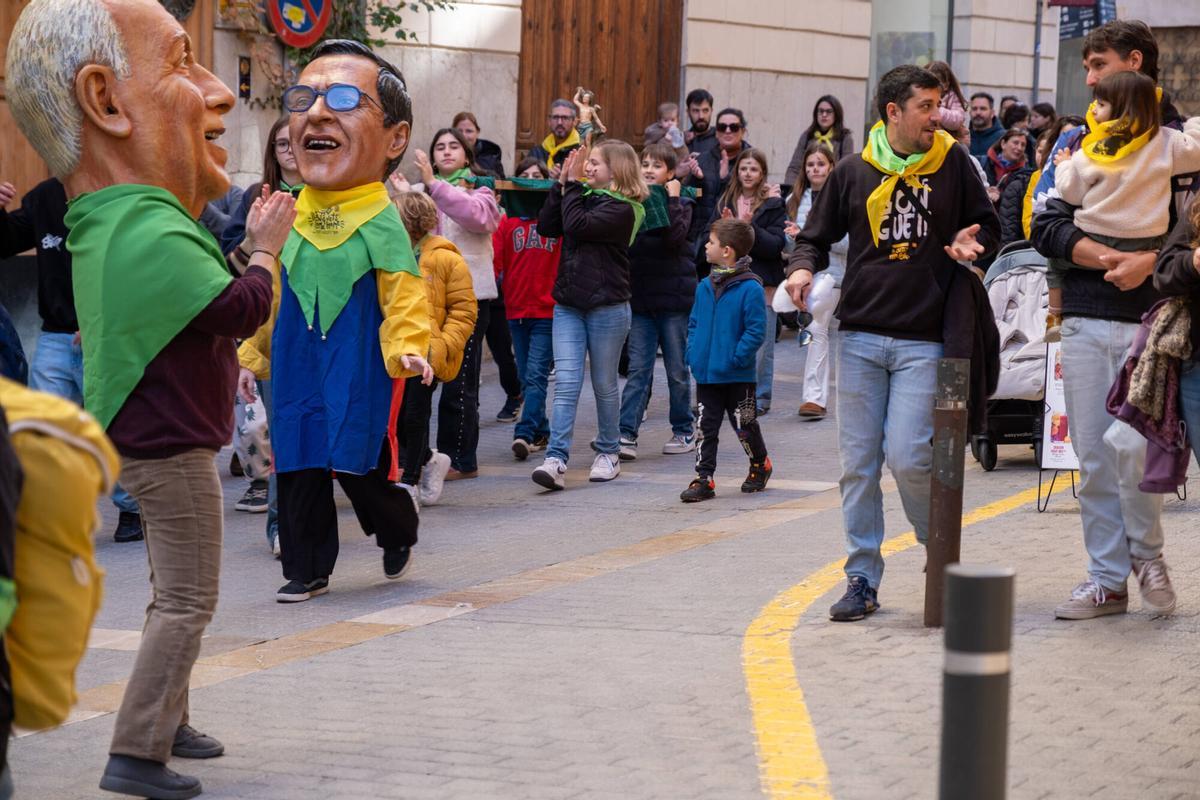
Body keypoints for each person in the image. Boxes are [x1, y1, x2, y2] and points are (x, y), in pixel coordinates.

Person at [8, 2, 291, 796]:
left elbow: (198, 299)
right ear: (104, 101)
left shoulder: (123, 218)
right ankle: (136, 752)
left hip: (155, 433)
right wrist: (267, 248)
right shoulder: (142, 223)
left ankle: (169, 719)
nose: (219, 92)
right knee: (191, 598)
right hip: (168, 443)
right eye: (179, 62)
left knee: (174, 589)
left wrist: (245, 251)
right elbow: (237, 310)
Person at [785, 64, 999, 623]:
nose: (938, 116)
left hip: (924, 339)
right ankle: (861, 577)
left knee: (908, 457)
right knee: (858, 465)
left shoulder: (953, 163)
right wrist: (802, 271)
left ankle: (941, 554)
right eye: (926, 106)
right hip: (858, 336)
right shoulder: (855, 171)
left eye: (938, 105)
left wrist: (968, 244)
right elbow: (814, 236)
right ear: (893, 113)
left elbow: (990, 227)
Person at [237, 39, 433, 606]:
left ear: (395, 138)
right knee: (296, 459)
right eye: (305, 98)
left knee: (356, 461)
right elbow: (266, 284)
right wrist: (252, 355)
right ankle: (306, 569)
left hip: (357, 360)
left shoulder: (380, 217)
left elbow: (404, 292)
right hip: (297, 360)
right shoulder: (287, 210)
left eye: (344, 99)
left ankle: (397, 524)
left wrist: (409, 347)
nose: (318, 113)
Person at [1030, 19, 1183, 621]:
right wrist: (1106, 256)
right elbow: (1046, 222)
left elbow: (1191, 224)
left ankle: (1146, 555)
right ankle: (1107, 579)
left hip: (1158, 320)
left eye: (1098, 66)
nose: (1089, 79)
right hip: (1089, 312)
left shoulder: (1177, 142)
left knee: (1136, 450)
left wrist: (1152, 261)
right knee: (1092, 454)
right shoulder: (1080, 138)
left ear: (1135, 63)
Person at [0, 177, 143, 543]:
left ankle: (132, 508)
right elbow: (5, 241)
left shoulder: (119, 192)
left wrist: (100, 319)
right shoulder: (45, 197)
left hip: (107, 334)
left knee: (108, 427)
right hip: (56, 334)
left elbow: (136, 267)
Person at [1045, 72, 1200, 344]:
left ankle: (1054, 314)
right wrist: (1192, 125)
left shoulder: (1095, 150)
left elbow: (1070, 191)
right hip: (1147, 240)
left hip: (1094, 235)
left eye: (1101, 104)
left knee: (1055, 261)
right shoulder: (1166, 141)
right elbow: (1196, 150)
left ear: (1121, 109)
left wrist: (1064, 165)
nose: (1094, 109)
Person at [531, 141, 648, 490]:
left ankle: (609, 452)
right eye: (589, 162)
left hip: (608, 306)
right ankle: (555, 458)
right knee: (566, 382)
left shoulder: (625, 209)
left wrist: (570, 188)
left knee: (604, 384)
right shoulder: (580, 196)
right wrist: (561, 185)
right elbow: (548, 227)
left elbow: (578, 225)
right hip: (568, 303)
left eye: (596, 163)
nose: (589, 167)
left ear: (618, 170)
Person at [393, 128, 501, 480]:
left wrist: (431, 186)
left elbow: (476, 217)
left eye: (454, 146)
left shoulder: (481, 190)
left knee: (459, 382)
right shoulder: (421, 191)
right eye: (440, 146)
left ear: (467, 156)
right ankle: (420, 459)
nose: (446, 151)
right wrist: (408, 196)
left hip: (467, 299)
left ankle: (459, 458)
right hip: (423, 300)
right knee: (418, 385)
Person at [222, 116, 299, 549]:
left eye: (297, 142)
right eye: (282, 142)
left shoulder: (331, 196)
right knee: (277, 436)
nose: (290, 149)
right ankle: (279, 525)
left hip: (318, 334)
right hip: (265, 331)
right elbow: (235, 260)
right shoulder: (257, 197)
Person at [392, 191, 477, 505]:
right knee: (397, 418)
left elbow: (464, 311)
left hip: (427, 350)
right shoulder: (391, 254)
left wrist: (441, 346)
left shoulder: (445, 258)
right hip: (396, 348)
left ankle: (410, 482)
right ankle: (429, 459)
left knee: (415, 415)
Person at [681, 218, 770, 502]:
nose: (706, 246)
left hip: (738, 376)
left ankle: (760, 464)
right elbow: (694, 323)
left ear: (727, 250)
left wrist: (737, 357)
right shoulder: (704, 286)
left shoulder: (751, 288)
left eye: (711, 242)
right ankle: (703, 478)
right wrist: (692, 353)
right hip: (707, 375)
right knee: (705, 428)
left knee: (745, 425)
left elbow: (756, 330)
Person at [618, 141, 696, 459]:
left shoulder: (684, 203)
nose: (649, 170)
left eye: (657, 165)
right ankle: (625, 433)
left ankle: (684, 430)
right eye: (645, 164)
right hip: (641, 298)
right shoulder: (630, 201)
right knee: (638, 370)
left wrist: (674, 198)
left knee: (677, 370)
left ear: (671, 173)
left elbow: (676, 239)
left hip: (674, 300)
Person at [704, 148, 786, 414]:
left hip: (763, 285)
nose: (748, 173)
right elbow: (712, 239)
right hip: (729, 285)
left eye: (754, 169)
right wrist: (728, 230)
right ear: (737, 171)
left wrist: (749, 229)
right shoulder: (724, 200)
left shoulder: (773, 204)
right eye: (743, 168)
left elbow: (775, 245)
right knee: (730, 339)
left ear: (762, 173)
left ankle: (760, 397)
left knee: (761, 346)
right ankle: (731, 393)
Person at [494, 157, 559, 460]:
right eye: (525, 176)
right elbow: (496, 262)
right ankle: (543, 429)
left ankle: (524, 432)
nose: (532, 181)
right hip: (516, 310)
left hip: (546, 311)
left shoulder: (554, 221)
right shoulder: (507, 223)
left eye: (538, 176)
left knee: (535, 375)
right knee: (525, 376)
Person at [785, 142, 847, 419]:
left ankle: (823, 398)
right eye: (810, 165)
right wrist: (796, 238)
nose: (815, 169)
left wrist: (816, 233)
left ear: (831, 167)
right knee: (816, 330)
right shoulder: (795, 201)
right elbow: (789, 248)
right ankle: (814, 399)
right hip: (809, 277)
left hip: (838, 275)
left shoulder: (843, 199)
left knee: (825, 331)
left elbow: (850, 244)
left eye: (820, 164)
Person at [684, 107, 750, 256]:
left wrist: (724, 180)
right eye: (722, 127)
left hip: (734, 243)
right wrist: (698, 180)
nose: (727, 131)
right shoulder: (702, 159)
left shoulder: (751, 162)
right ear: (716, 132)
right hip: (701, 242)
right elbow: (688, 196)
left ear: (743, 131)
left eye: (733, 127)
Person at [784, 95, 856, 184]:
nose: (824, 115)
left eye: (829, 111)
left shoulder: (845, 138)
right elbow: (794, 167)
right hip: (807, 189)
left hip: (832, 189)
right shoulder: (807, 136)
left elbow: (846, 170)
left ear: (836, 114)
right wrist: (791, 191)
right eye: (820, 111)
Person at [528, 99, 582, 174]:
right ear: (549, 121)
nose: (559, 122)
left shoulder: (581, 152)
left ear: (574, 122)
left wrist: (562, 180)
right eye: (555, 117)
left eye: (565, 118)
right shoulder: (537, 153)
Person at [453, 110, 505, 177]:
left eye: (469, 131)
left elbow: (502, 185)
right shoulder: (444, 155)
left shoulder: (492, 157)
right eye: (459, 131)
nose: (464, 136)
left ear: (477, 132)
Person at [926, 61, 968, 143]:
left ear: (946, 85)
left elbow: (957, 119)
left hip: (949, 142)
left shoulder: (951, 97)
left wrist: (937, 110)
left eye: (938, 84)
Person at [983, 128, 1029, 201]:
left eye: (1023, 145)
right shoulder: (984, 163)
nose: (1019, 148)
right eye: (1015, 143)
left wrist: (1000, 196)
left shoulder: (1025, 173)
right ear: (1003, 144)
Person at [969, 91, 1005, 158]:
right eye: (974, 109)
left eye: (983, 109)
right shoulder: (963, 137)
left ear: (992, 113)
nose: (978, 112)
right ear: (970, 112)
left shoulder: (1002, 137)